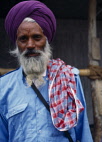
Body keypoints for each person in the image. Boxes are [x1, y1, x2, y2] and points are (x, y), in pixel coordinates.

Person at [0, 1, 93, 142]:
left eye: (37, 37)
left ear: (46, 40)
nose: (30, 45)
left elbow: (83, 132)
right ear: (17, 44)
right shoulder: (3, 87)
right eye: (23, 39)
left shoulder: (69, 78)